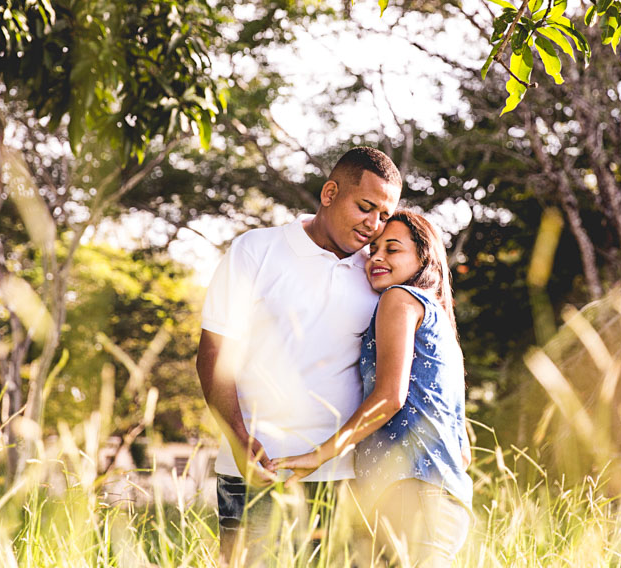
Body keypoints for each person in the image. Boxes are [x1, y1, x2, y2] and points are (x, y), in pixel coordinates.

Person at [196, 146, 402, 565]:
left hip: (340, 477)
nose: (374, 225)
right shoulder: (255, 250)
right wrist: (239, 444)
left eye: (383, 216)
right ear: (329, 193)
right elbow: (213, 354)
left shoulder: (376, 274)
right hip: (254, 470)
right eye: (365, 208)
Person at [270, 210, 473, 568]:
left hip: (411, 495)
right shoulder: (440, 320)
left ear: (424, 257)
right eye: (373, 248)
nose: (376, 257)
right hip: (440, 499)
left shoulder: (399, 299)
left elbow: (389, 397)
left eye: (392, 249)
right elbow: (464, 452)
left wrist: (320, 455)